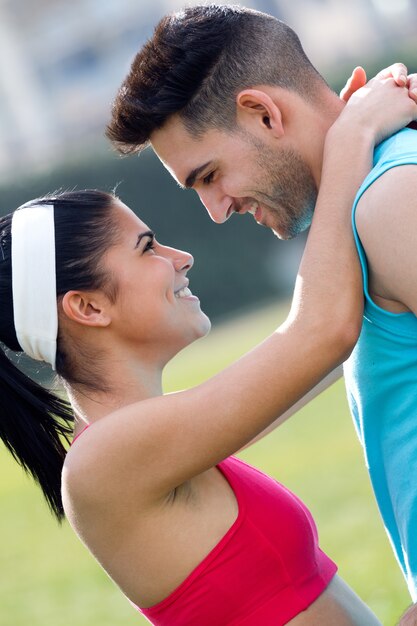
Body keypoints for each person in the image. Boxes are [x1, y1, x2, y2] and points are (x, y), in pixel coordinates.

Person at [0, 78, 415, 626]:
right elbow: (320, 334)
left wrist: (311, 141)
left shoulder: (160, 439)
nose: (182, 256)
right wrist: (350, 136)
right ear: (88, 307)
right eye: (148, 247)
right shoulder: (103, 464)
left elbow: (330, 337)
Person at [106, 3, 417, 610]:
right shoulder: (364, 213)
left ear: (264, 113)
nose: (217, 210)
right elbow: (287, 368)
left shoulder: (389, 199)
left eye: (210, 175)